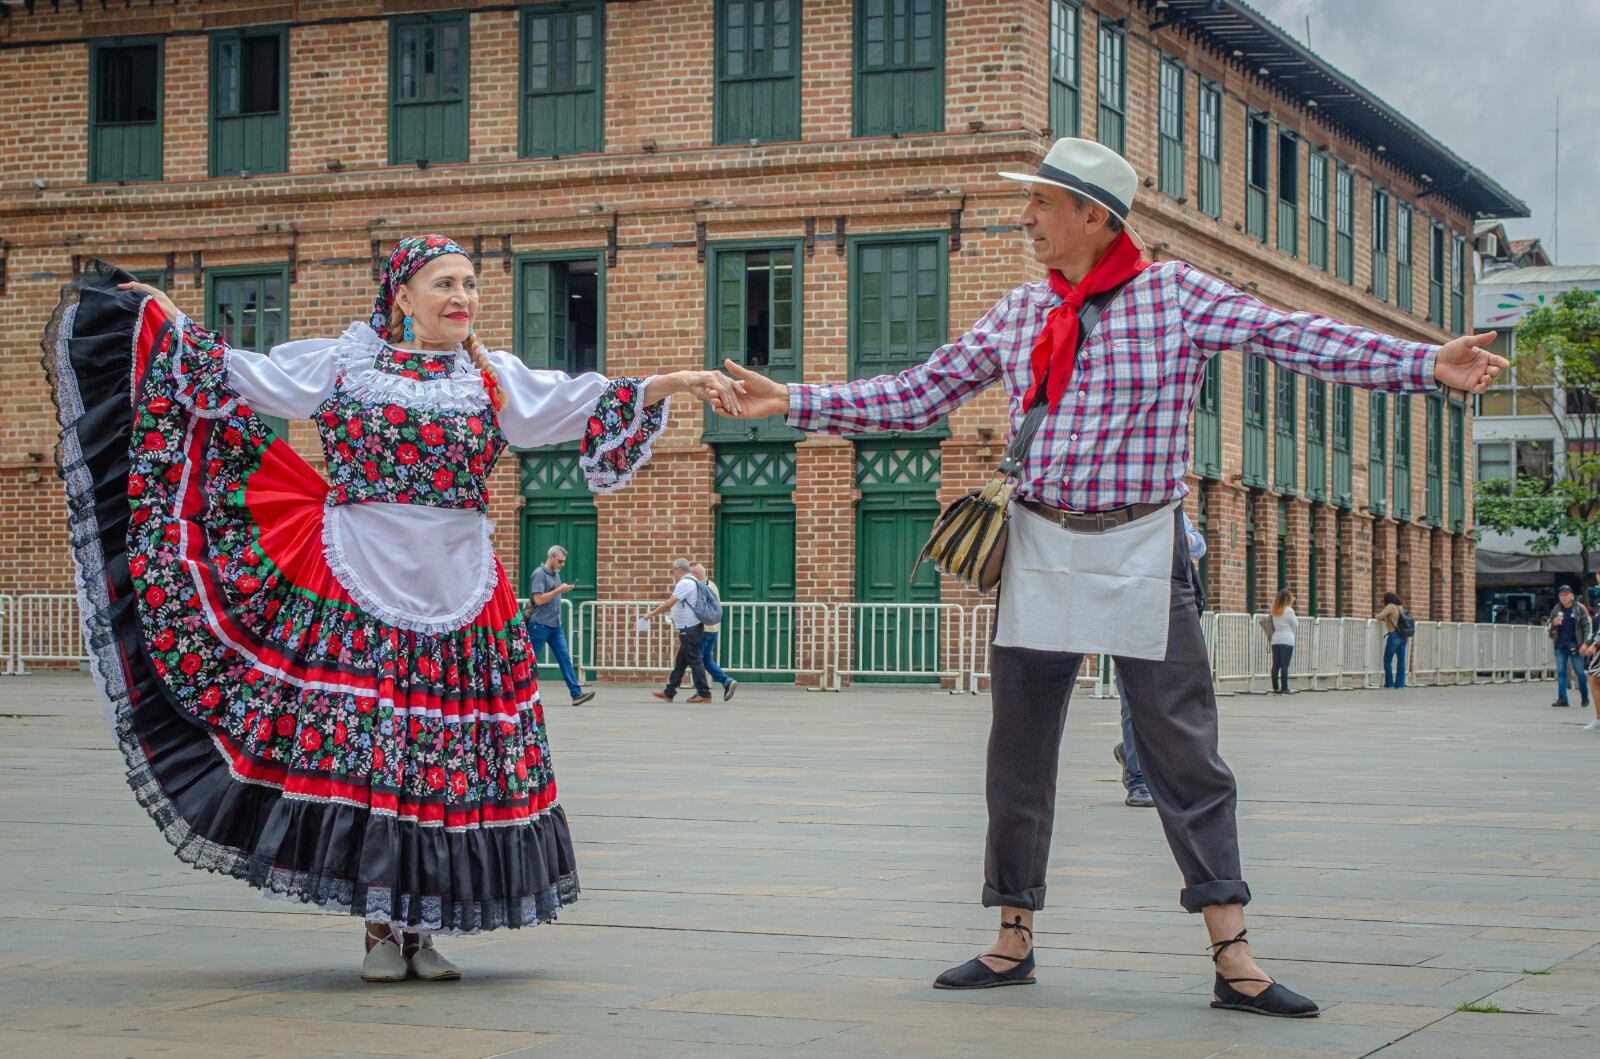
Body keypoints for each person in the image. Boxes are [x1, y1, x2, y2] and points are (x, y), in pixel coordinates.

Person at [712, 137, 1506, 1017]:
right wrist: (792, 400)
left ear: (1097, 216)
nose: (1027, 219)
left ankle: (1233, 950)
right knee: (1017, 751)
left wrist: (1424, 363)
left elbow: (1294, 337)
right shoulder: (1022, 314)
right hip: (1041, 545)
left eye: (1043, 204)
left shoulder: (1176, 296)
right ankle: (1011, 935)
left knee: (1184, 750)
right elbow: (920, 392)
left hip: (1140, 549)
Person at [42, 239, 741, 981]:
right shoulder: (346, 363)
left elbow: (582, 400)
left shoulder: (490, 379)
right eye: (445, 283)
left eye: (470, 283)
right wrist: (165, 316)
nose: (462, 296)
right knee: (379, 759)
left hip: (462, 595)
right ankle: (380, 929)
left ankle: (423, 928)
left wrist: (680, 379)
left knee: (442, 770)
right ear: (403, 295)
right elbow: (240, 376)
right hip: (361, 585)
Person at [1115, 510, 1207, 808]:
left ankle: (1134, 752)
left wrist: (1170, 533)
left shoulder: (1167, 509)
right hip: (1128, 616)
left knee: (1168, 701)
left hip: (1167, 615)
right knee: (1133, 701)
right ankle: (1138, 779)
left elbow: (1198, 545)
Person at [526, 545, 594, 706]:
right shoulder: (539, 574)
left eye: (563, 562)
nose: (562, 565)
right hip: (539, 625)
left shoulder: (555, 574)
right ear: (551, 557)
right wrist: (559, 590)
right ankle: (522, 694)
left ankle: (576, 693)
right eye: (560, 561)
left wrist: (561, 589)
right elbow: (538, 599)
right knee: (530, 661)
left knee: (565, 659)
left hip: (555, 625)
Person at [646, 559, 714, 704]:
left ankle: (704, 693)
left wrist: (651, 614)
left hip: (689, 628)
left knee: (695, 660)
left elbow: (670, 602)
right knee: (681, 662)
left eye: (673, 571)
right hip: (690, 628)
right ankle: (669, 692)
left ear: (679, 569)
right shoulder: (693, 582)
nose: (672, 574)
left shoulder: (685, 583)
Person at [691, 562, 738, 701]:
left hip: (703, 629)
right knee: (705, 659)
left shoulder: (700, 588)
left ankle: (703, 690)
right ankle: (726, 682)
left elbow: (698, 609)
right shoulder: (711, 585)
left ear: (695, 575)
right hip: (713, 628)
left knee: (697, 659)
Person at [1548, 585, 1593, 710]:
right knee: (1561, 672)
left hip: (1576, 645)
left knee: (1579, 672)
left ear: (1572, 595)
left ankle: (1584, 695)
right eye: (1561, 595)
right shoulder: (1556, 609)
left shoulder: (1579, 608)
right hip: (1560, 645)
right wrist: (1553, 624)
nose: (1564, 597)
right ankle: (1562, 698)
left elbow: (1588, 626)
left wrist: (1586, 643)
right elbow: (1548, 627)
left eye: (1566, 594)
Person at [1375, 592, 1409, 689]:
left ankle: (1389, 683)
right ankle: (1400, 684)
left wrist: (1376, 615)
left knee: (1387, 660)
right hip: (1403, 636)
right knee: (1401, 661)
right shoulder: (1400, 607)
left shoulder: (1390, 606)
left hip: (1394, 636)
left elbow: (1379, 616)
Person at [1268, 590, 1298, 695]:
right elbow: (1295, 624)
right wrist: (1292, 635)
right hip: (1287, 639)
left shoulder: (1274, 610)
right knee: (1284, 665)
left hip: (1275, 639)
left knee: (1276, 664)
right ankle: (1284, 688)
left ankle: (1276, 688)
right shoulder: (1289, 610)